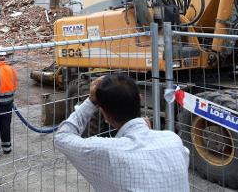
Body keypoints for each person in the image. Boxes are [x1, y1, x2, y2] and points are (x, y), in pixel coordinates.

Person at [54, 74, 189, 192]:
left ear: (104, 114)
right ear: (140, 99)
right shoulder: (173, 140)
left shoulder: (105, 151)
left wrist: (91, 102)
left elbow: (62, 136)